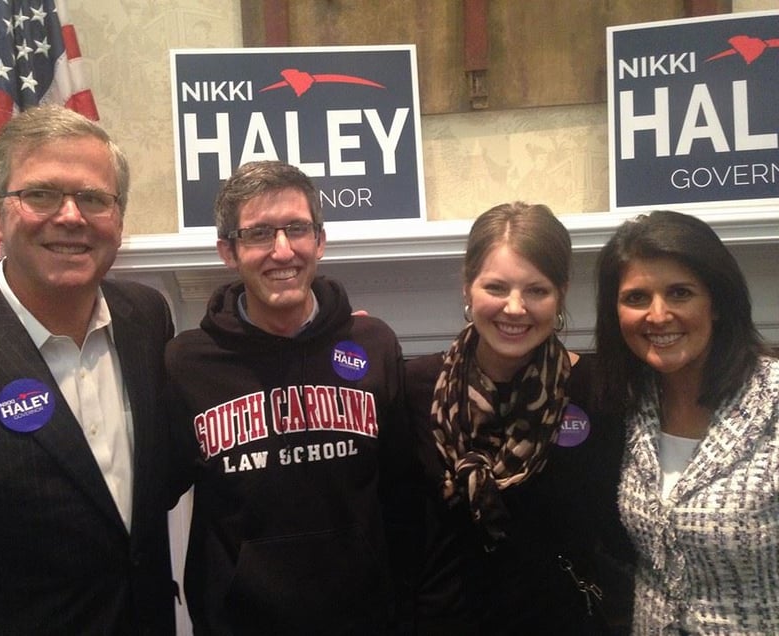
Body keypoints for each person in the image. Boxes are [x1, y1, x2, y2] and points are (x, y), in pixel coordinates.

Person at [0, 105, 176, 634]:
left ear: (119, 217)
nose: (70, 216)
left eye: (94, 198)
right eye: (40, 194)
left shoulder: (147, 319)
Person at [166, 160, 415, 635]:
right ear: (228, 250)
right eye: (259, 233)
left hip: (363, 620)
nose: (282, 251)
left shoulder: (374, 343)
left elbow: (403, 494)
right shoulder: (186, 364)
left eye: (297, 229)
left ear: (319, 240)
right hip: (239, 624)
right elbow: (151, 495)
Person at [406, 202, 634, 635]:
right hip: (447, 622)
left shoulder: (597, 388)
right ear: (467, 287)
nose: (515, 308)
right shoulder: (415, 385)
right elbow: (400, 526)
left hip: (563, 622)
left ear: (561, 294)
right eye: (496, 287)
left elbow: (617, 527)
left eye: (536, 290)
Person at [595, 210, 779, 634]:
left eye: (680, 293)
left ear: (717, 303)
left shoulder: (771, 399)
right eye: (636, 298)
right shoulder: (626, 403)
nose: (657, 315)